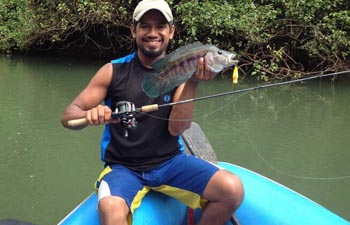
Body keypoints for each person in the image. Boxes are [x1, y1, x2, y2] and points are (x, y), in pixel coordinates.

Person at [61, 0, 244, 224]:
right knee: (110, 208)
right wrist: (89, 116)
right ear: (133, 30)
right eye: (145, 26)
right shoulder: (112, 71)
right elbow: (69, 115)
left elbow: (176, 128)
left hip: (170, 163)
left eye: (160, 26)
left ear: (171, 31)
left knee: (232, 189)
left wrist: (193, 81)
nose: (153, 33)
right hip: (123, 168)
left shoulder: (183, 74)